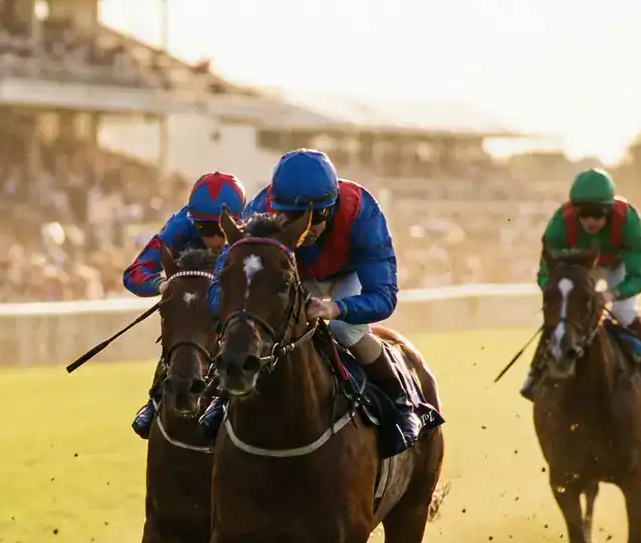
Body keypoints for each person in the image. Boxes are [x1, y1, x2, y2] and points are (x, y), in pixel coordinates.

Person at [203, 149, 426, 456]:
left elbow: (385, 297)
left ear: (332, 207)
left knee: (344, 330)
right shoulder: (259, 209)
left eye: (316, 216)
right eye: (290, 218)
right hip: (290, 276)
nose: (305, 227)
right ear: (274, 207)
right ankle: (223, 395)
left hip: (346, 278)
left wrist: (337, 307)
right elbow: (219, 284)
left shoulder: (362, 211)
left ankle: (402, 404)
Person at [520, 167, 641, 402]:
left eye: (599, 213)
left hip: (618, 266)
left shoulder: (629, 221)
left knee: (624, 312)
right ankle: (536, 371)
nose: (591, 220)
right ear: (574, 210)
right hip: (579, 269)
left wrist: (612, 293)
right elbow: (545, 274)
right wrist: (558, 297)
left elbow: (637, 275)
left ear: (610, 210)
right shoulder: (560, 223)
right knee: (563, 317)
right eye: (584, 214)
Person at [120, 171, 245, 438]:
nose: (214, 238)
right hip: (194, 298)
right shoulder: (180, 224)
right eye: (204, 229)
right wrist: (162, 285)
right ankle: (156, 398)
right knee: (182, 324)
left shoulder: (250, 225)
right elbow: (134, 274)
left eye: (221, 229)